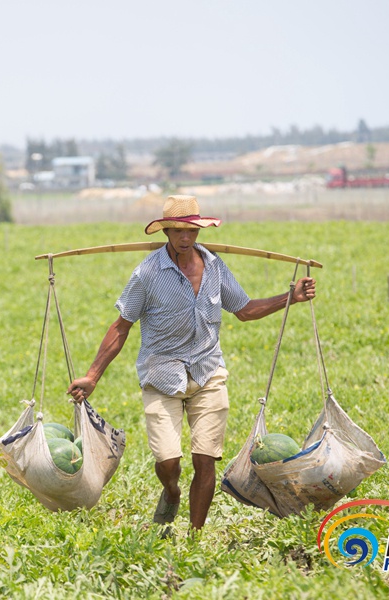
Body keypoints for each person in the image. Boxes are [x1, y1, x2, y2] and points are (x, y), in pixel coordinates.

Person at [66, 195, 316, 532]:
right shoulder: (147, 273)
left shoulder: (214, 267)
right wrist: (92, 376)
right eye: (178, 231)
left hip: (208, 371)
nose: (186, 238)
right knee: (168, 461)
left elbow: (244, 310)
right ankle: (171, 491)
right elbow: (121, 326)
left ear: (198, 229)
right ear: (166, 231)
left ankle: (195, 536)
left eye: (191, 231)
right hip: (162, 375)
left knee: (205, 458)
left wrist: (291, 297)